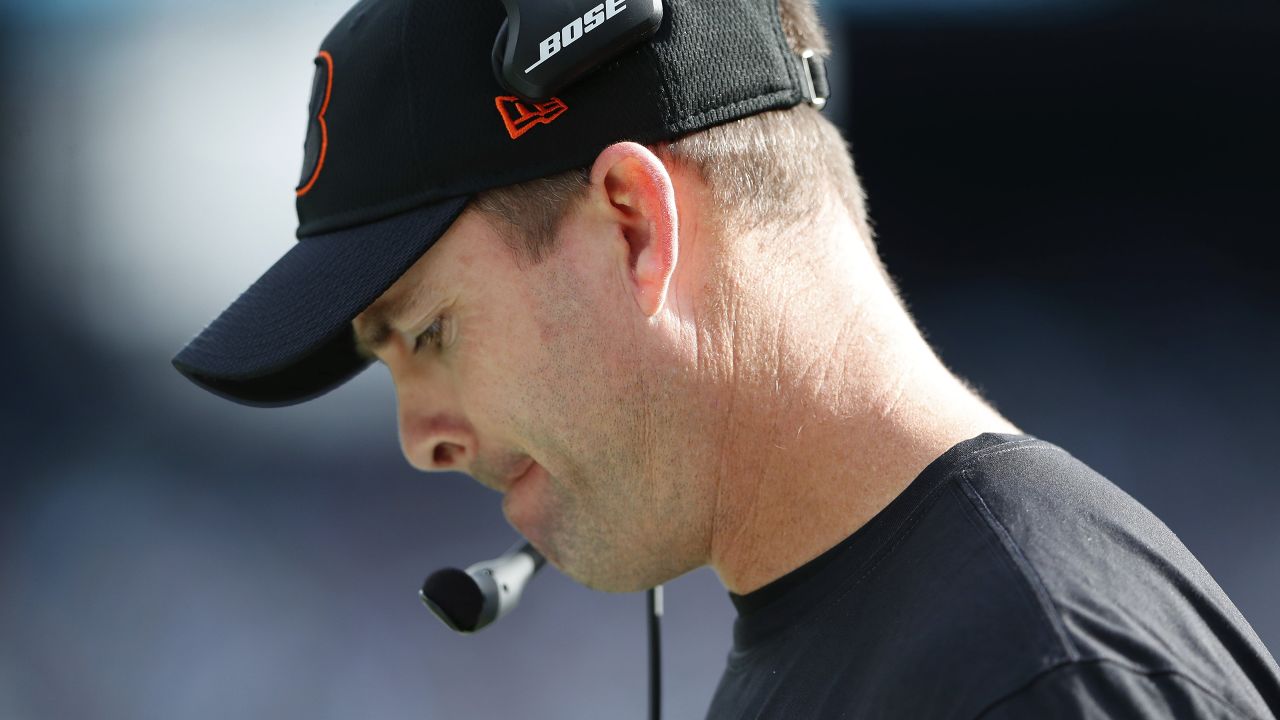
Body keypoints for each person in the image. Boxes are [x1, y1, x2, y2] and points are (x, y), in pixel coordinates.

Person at [172, 0, 1280, 717]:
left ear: (633, 224)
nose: (422, 438)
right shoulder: (879, 636)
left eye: (425, 334)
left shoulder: (1039, 677)